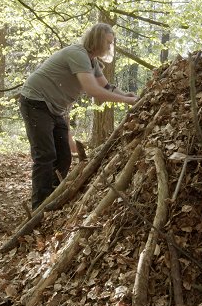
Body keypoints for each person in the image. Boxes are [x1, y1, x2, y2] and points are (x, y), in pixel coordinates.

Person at [20, 23, 138, 210]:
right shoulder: (78, 54)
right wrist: (125, 101)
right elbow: (94, 90)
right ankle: (39, 207)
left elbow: (106, 86)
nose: (109, 47)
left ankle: (52, 200)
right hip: (36, 102)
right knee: (45, 155)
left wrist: (127, 95)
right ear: (98, 39)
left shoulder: (91, 62)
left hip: (56, 109)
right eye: (107, 42)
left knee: (65, 156)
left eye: (111, 43)